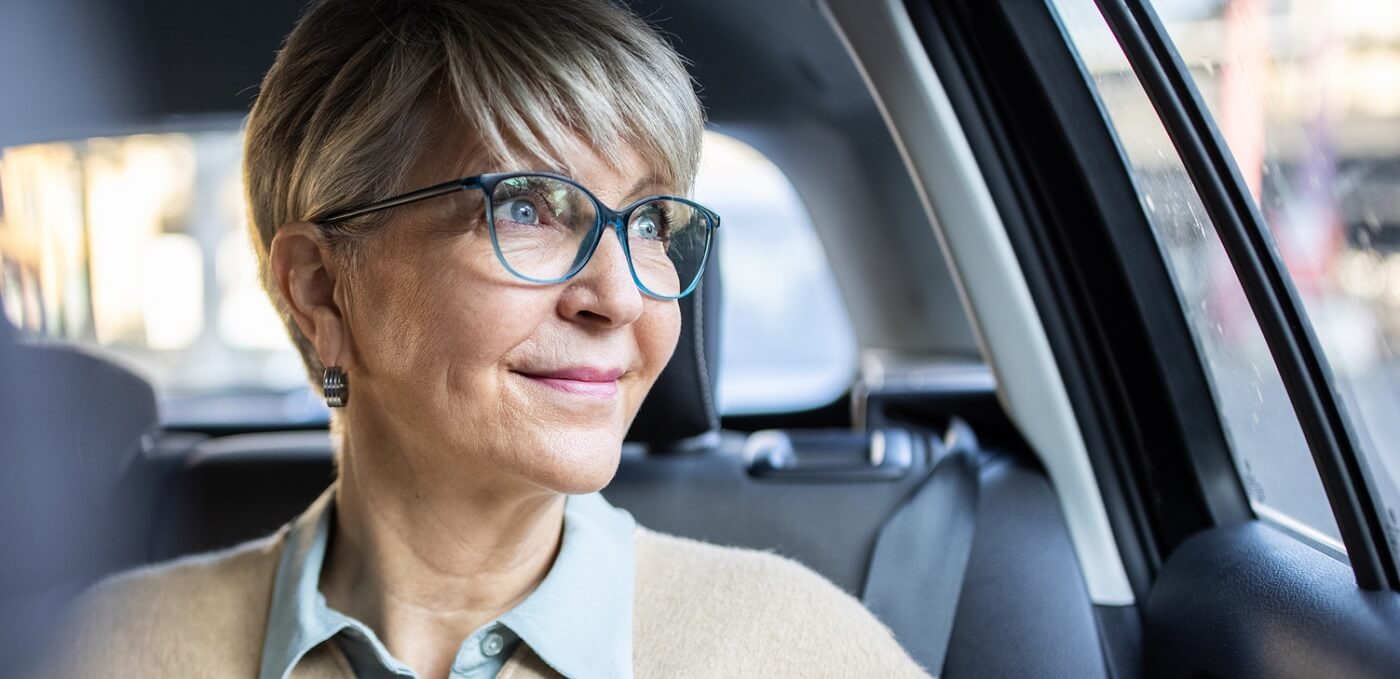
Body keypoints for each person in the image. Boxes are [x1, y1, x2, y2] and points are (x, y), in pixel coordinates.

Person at [39, 0, 928, 676]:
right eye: (530, 206)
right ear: (320, 288)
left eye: (650, 220)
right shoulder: (106, 648)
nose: (619, 295)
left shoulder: (803, 651)